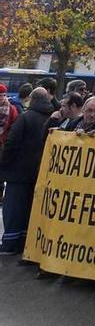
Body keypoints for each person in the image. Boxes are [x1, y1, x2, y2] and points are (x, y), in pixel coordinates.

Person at [0, 88, 53, 255]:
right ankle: (23, 242)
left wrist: (3, 162)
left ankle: (9, 243)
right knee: (28, 208)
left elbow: (12, 142)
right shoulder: (50, 117)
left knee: (13, 208)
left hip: (19, 171)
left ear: (32, 99)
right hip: (38, 171)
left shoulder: (25, 117)